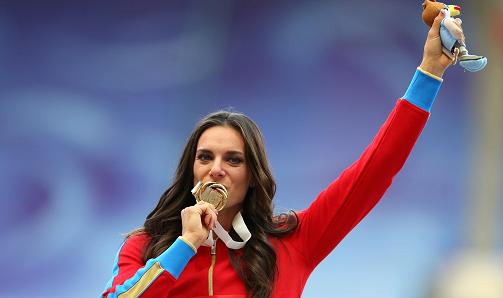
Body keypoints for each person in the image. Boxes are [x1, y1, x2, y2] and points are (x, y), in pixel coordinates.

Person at [101, 11, 453, 298]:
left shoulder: (293, 241)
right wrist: (186, 244)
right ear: (191, 170)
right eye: (205, 157)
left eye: (233, 160)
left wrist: (430, 71)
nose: (217, 170)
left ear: (253, 175)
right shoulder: (145, 247)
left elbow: (375, 170)